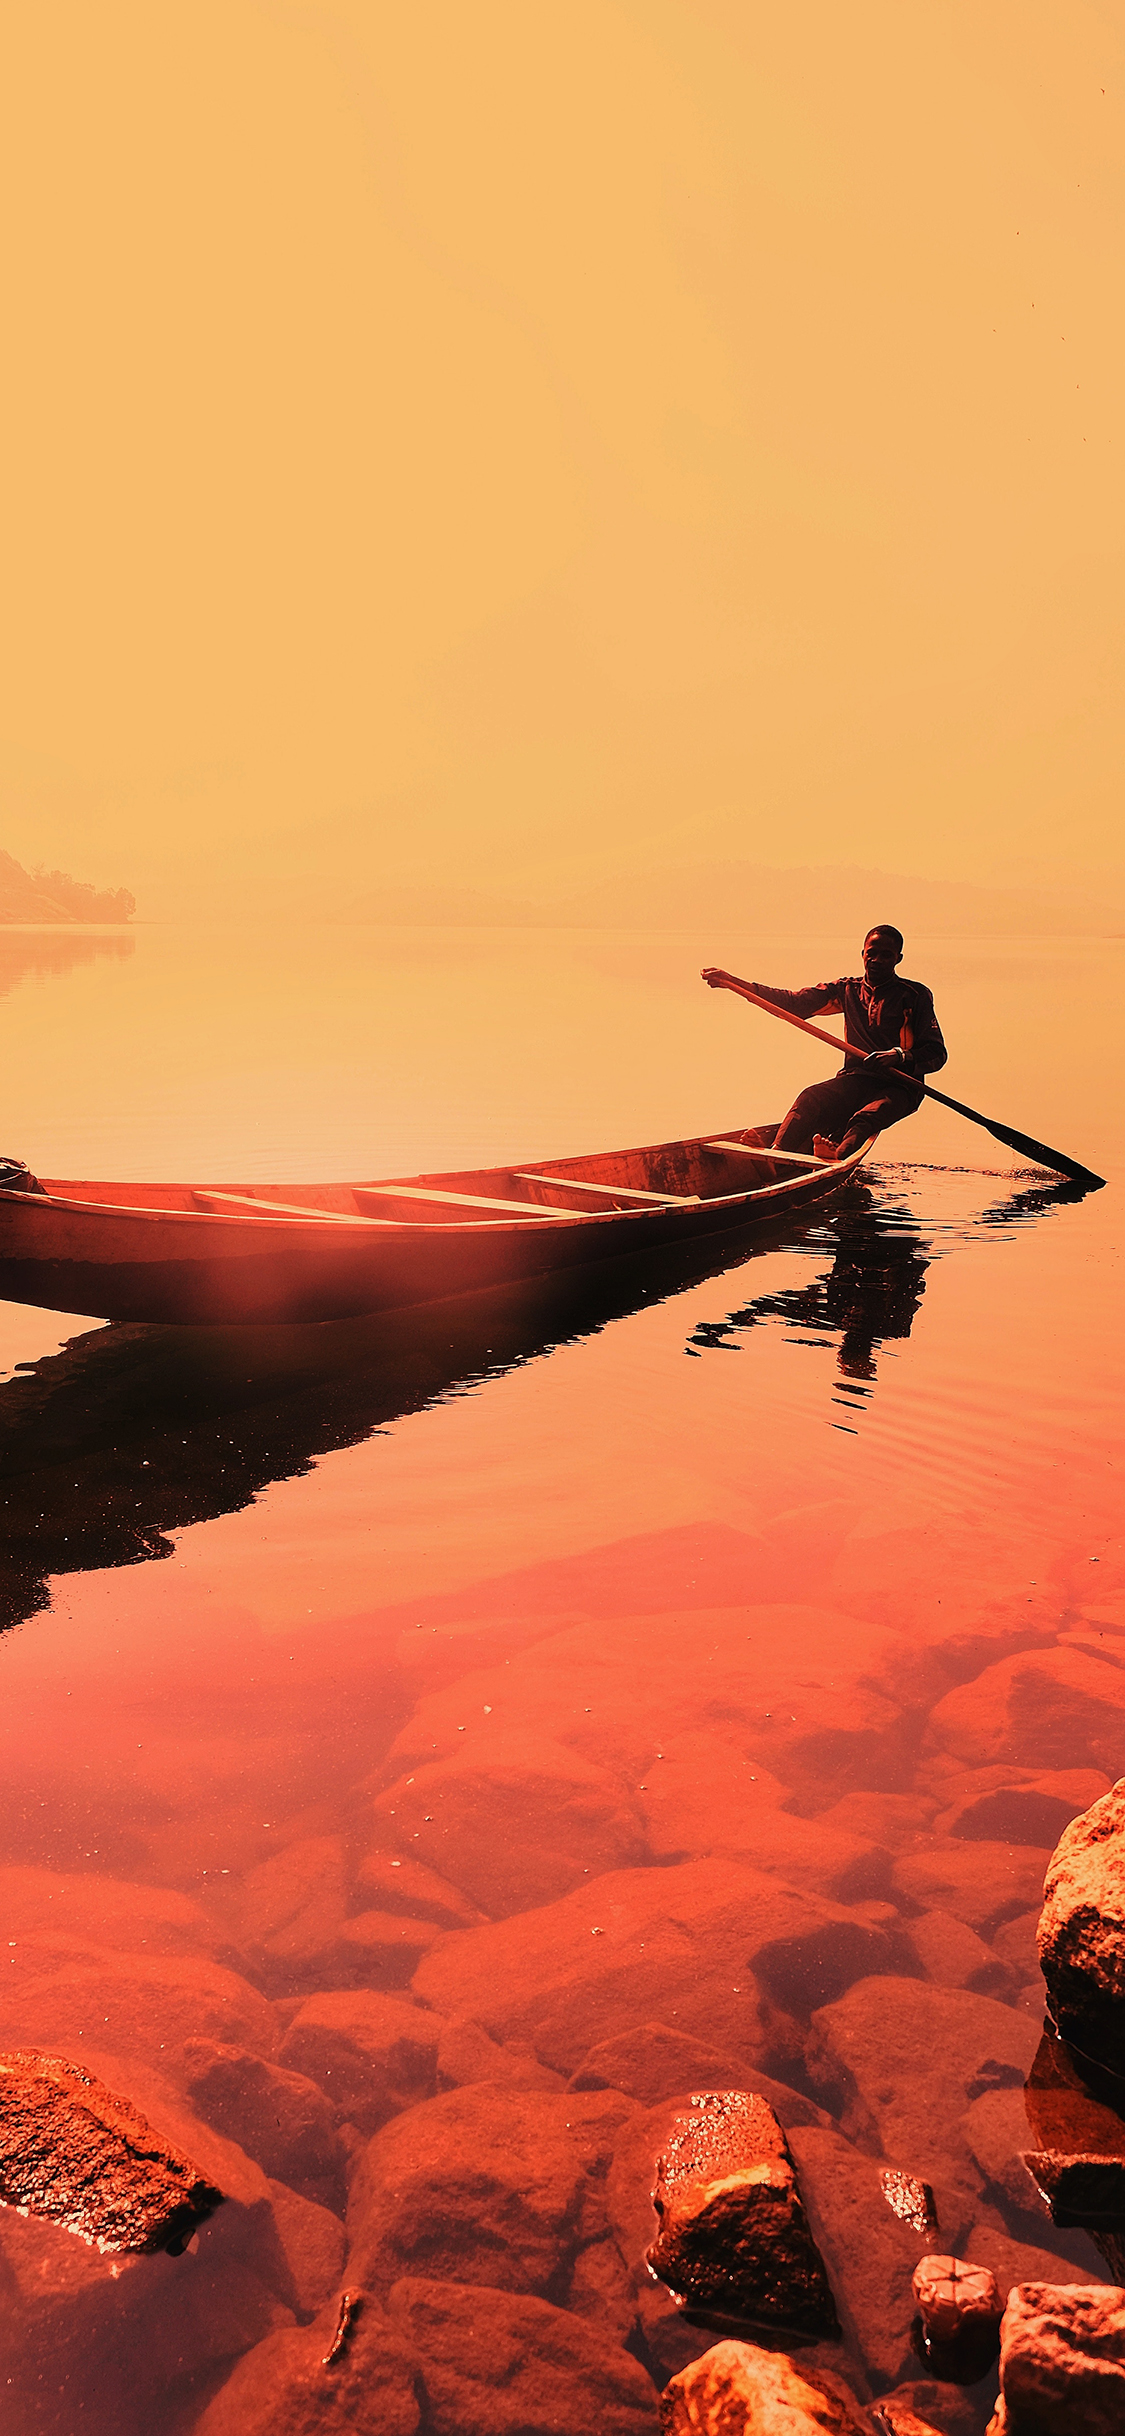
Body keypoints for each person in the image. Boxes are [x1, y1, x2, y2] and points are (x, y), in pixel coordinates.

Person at [702, 925, 947, 1159]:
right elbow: (792, 1004)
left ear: (898, 958)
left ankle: (836, 1154)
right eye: (871, 954)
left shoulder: (914, 996)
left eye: (886, 955)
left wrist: (898, 1056)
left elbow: (936, 1053)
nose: (876, 960)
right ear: (862, 954)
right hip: (855, 1078)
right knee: (811, 1098)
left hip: (900, 1087)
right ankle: (776, 1152)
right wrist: (733, 983)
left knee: (866, 1118)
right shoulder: (846, 990)